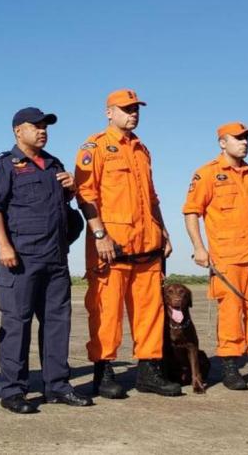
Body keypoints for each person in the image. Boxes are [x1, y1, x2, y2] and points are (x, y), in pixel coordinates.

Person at [0, 107, 93, 414]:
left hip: (56, 258)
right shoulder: (4, 165)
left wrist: (72, 189)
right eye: (37, 126)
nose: (43, 130)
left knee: (58, 324)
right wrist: (4, 246)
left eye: (46, 126)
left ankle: (57, 386)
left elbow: (60, 209)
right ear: (18, 131)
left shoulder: (54, 165)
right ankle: (13, 391)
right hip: (20, 258)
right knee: (17, 325)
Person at [74, 89, 181, 398]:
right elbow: (86, 195)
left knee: (150, 312)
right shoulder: (95, 147)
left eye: (136, 109)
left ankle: (149, 372)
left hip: (147, 246)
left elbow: (152, 197)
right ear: (109, 112)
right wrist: (99, 235)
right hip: (112, 248)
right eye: (126, 109)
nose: (133, 113)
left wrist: (165, 233)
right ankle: (103, 372)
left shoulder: (142, 149)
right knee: (107, 313)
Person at [182, 121, 248, 391]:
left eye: (247, 139)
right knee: (230, 315)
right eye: (238, 138)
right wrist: (199, 247)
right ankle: (230, 367)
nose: (244, 142)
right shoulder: (207, 174)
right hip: (227, 260)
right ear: (223, 142)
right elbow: (191, 212)